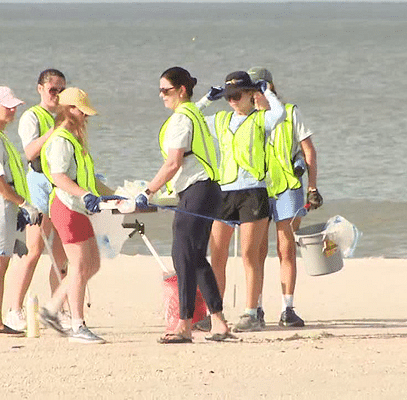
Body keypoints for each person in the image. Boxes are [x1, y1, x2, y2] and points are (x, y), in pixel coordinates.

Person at [135, 66, 234, 344]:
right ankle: (219, 322)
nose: (161, 96)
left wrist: (147, 191)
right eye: (159, 91)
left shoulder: (182, 118)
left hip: (198, 191)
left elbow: (173, 162)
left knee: (182, 257)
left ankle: (184, 325)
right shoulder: (192, 112)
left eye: (166, 90)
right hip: (208, 191)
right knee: (196, 258)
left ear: (181, 90)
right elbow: (197, 110)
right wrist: (206, 99)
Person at [201, 71, 286, 333]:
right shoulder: (221, 120)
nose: (232, 101)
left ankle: (252, 312)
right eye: (228, 97)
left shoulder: (261, 119)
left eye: (238, 95)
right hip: (225, 191)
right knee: (217, 254)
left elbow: (279, 114)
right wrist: (207, 98)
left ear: (251, 95)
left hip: (252, 192)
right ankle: (214, 313)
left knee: (250, 255)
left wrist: (267, 91)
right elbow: (186, 119)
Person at [37, 87, 122, 344]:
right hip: (66, 207)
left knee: (91, 265)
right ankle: (77, 325)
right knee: (79, 267)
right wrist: (85, 194)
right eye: (81, 112)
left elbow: (89, 179)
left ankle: (51, 309)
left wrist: (115, 196)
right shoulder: (61, 140)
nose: (85, 117)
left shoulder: (75, 140)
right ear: (69, 110)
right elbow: (59, 177)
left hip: (79, 208)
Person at [248, 66, 323, 328]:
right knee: (255, 250)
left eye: (258, 88)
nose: (254, 94)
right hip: (256, 189)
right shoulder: (246, 117)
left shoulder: (291, 113)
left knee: (286, 248)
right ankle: (255, 308)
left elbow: (309, 152)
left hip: (288, 187)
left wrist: (312, 187)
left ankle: (287, 308)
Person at [0, 86, 42, 337]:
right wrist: (24, 203)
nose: (12, 110)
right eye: (7, 106)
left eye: (14, 106)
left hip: (3, 205)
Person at [5, 69, 70, 332]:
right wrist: (56, 129)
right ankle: (14, 310)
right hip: (38, 189)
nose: (57, 95)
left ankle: (58, 310)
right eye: (53, 89)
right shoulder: (33, 116)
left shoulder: (64, 116)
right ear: (41, 89)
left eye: (61, 90)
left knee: (61, 257)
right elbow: (30, 152)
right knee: (33, 251)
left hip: (60, 190)